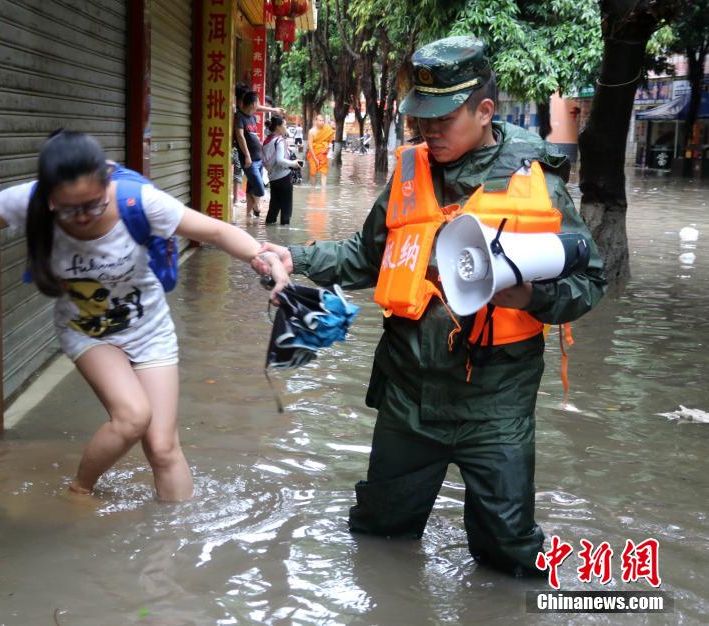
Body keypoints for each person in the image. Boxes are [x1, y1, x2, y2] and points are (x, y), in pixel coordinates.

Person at [256, 36, 607, 576]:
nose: (428, 131)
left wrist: (533, 295)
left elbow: (590, 280)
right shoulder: (408, 172)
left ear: (484, 110)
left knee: (507, 551)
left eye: (443, 118)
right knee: (380, 536)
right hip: (409, 393)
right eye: (421, 118)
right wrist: (293, 255)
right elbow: (363, 255)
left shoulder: (536, 182)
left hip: (496, 401)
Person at [0, 131, 290, 503]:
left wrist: (260, 256)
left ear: (106, 185)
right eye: (69, 209)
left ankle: (170, 553)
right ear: (49, 199)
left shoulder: (139, 202)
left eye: (94, 205)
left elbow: (213, 229)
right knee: (132, 417)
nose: (83, 217)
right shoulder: (28, 202)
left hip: (149, 329)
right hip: (86, 332)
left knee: (164, 447)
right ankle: (79, 490)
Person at [262, 115, 301, 225]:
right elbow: (280, 160)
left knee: (273, 208)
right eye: (284, 125)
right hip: (284, 178)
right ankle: (284, 238)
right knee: (286, 211)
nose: (286, 127)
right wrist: (294, 163)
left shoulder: (267, 140)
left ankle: (270, 233)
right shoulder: (279, 141)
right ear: (278, 127)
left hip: (273, 178)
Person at [234, 90, 267, 219]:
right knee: (260, 189)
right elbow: (240, 137)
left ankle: (249, 216)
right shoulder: (239, 117)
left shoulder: (252, 117)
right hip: (249, 160)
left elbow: (253, 137)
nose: (258, 106)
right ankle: (256, 207)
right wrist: (247, 156)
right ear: (253, 104)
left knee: (251, 188)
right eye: (257, 103)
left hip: (258, 158)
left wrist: (274, 110)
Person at [306, 114, 334, 187]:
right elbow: (310, 146)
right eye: (320, 120)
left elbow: (329, 141)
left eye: (323, 121)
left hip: (322, 153)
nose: (322, 122)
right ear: (316, 121)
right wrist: (315, 159)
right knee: (313, 173)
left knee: (324, 172)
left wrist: (327, 147)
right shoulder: (311, 132)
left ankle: (323, 189)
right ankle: (313, 188)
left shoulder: (326, 129)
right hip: (313, 154)